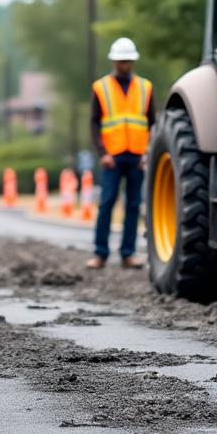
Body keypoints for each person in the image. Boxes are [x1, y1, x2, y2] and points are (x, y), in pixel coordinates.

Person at [88, 37, 154, 269]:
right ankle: (100, 253)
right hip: (112, 158)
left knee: (134, 206)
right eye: (119, 61)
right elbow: (95, 123)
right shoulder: (101, 87)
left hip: (137, 157)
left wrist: (147, 153)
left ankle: (128, 253)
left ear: (132, 62)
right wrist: (102, 153)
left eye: (126, 61)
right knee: (106, 203)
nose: (123, 65)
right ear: (114, 62)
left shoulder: (145, 88)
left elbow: (152, 123)